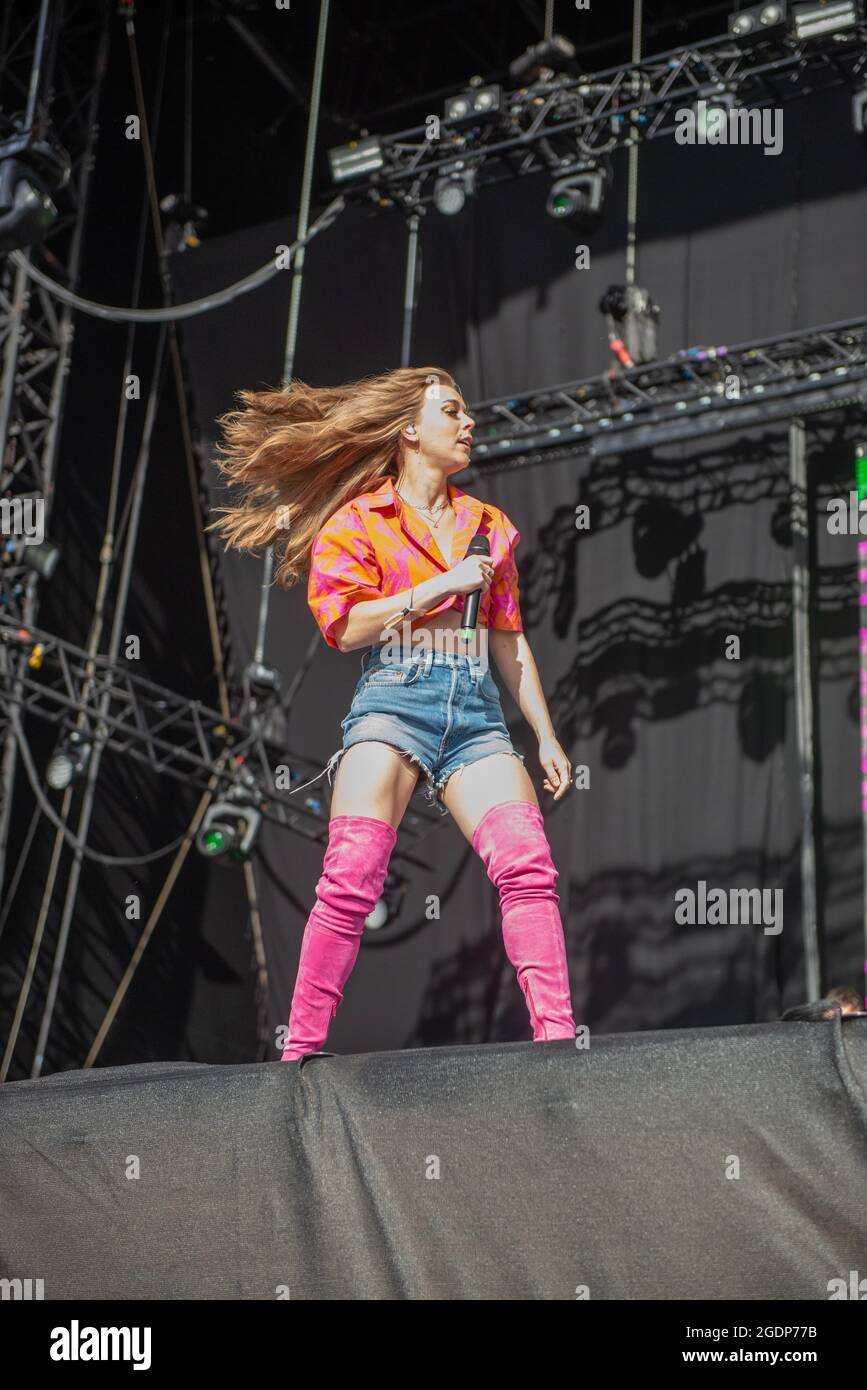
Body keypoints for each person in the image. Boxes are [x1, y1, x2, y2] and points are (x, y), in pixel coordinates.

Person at [209, 365, 577, 1061]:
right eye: (451, 411)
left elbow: (508, 639)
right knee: (351, 876)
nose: (468, 423)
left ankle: (556, 1044)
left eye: (466, 413)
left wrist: (545, 734)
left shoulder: (487, 527)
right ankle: (300, 1056)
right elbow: (345, 628)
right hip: (394, 702)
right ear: (409, 431)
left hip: (474, 710)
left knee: (527, 865)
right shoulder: (358, 522)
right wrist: (441, 584)